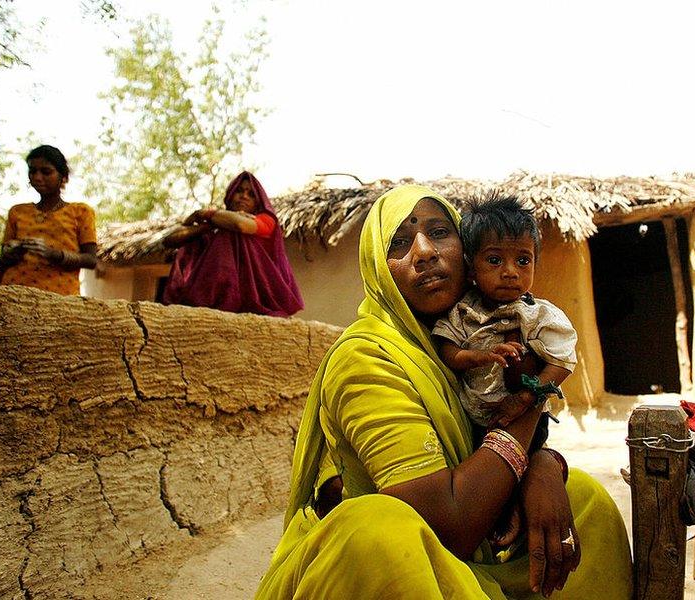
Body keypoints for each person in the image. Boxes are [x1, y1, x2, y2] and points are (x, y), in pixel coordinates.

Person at [255, 184, 631, 599]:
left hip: (471, 531)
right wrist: (531, 405)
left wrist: (542, 463)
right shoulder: (366, 357)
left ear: (467, 255)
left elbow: (483, 435)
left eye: (439, 232)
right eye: (399, 242)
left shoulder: (477, 330)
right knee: (379, 530)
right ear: (378, 270)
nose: (424, 251)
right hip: (400, 558)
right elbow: (449, 523)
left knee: (585, 500)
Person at [433, 193, 577, 454]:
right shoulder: (463, 311)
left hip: (525, 416)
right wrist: (480, 356)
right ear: (471, 267)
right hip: (473, 420)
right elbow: (448, 351)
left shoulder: (540, 315)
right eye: (494, 260)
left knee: (529, 468)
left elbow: (562, 360)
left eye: (523, 260)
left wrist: (525, 398)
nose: (510, 272)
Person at [161, 171, 303, 317]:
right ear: (230, 195)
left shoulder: (267, 220)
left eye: (251, 194)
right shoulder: (216, 223)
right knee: (197, 241)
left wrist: (206, 214)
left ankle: (226, 298)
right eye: (239, 191)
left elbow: (241, 225)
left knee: (231, 233)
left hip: (252, 294)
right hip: (206, 290)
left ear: (258, 202)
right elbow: (170, 240)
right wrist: (207, 225)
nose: (244, 196)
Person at [0, 145, 97, 295]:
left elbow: (90, 260)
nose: (37, 177)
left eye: (46, 172)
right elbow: (1, 263)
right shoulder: (17, 212)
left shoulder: (81, 212)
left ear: (63, 177)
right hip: (13, 293)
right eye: (32, 171)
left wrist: (54, 254)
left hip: (58, 297)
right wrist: (14, 252)